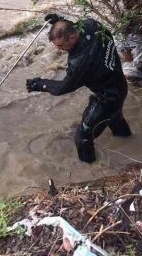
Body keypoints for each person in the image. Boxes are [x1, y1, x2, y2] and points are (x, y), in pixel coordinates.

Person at [26, 14, 132, 163]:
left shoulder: (80, 61)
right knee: (114, 118)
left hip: (107, 98)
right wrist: (59, 20)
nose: (59, 49)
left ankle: (89, 169)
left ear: (72, 38)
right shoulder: (92, 25)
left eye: (61, 46)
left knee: (82, 137)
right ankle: (131, 144)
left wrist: (40, 84)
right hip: (120, 85)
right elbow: (72, 26)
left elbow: (63, 87)